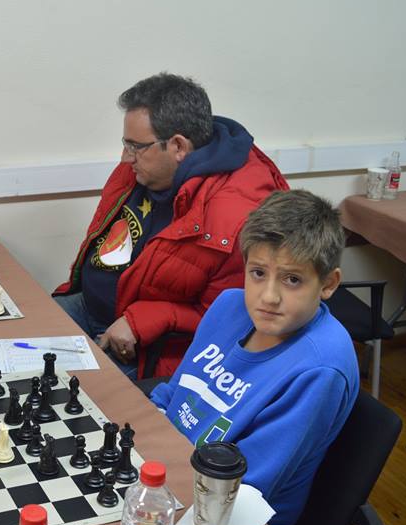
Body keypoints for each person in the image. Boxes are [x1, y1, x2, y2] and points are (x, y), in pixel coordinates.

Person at [149, 190, 360, 525]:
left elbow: (249, 487)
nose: (269, 297)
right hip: (167, 468)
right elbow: (172, 395)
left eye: (292, 279)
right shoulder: (228, 306)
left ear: (328, 283)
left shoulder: (321, 368)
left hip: (229, 519)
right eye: (258, 273)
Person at [53, 73, 288, 379]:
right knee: (13, 338)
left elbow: (232, 321)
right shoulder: (142, 168)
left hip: (146, 350)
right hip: (88, 306)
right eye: (126, 144)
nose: (125, 158)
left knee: (57, 390)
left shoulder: (236, 217)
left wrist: (144, 320)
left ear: (178, 146)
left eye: (135, 146)